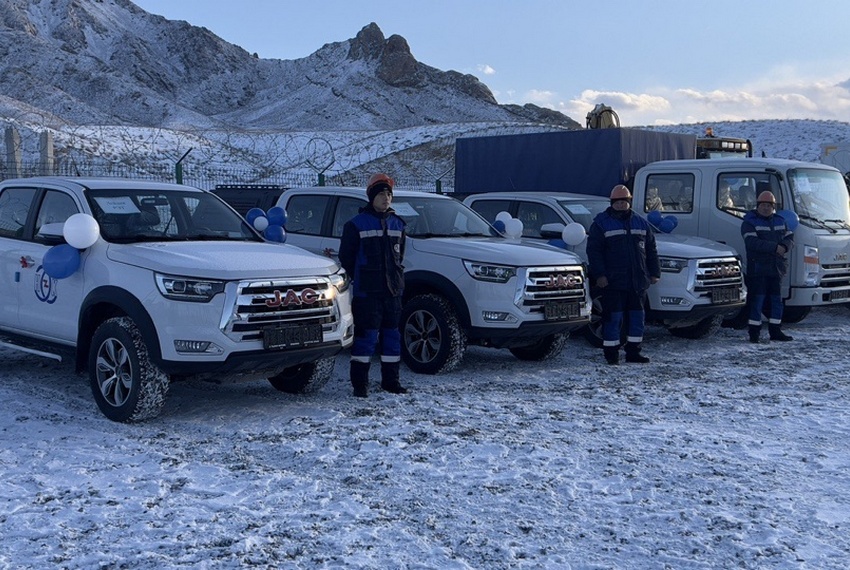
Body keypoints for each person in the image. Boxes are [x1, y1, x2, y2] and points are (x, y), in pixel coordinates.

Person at [338, 173, 408, 397]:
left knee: (392, 338)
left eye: (389, 194)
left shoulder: (398, 224)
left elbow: (399, 256)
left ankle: (391, 382)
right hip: (367, 293)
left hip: (392, 292)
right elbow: (347, 258)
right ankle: (360, 385)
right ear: (371, 197)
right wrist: (362, 278)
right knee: (366, 339)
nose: (386, 198)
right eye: (381, 194)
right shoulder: (356, 225)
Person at [586, 185, 661, 365]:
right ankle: (611, 354)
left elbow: (651, 250)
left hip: (637, 281)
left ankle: (634, 352)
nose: (620, 205)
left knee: (637, 318)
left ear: (629, 202)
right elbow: (594, 252)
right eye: (617, 202)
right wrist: (600, 275)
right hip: (613, 282)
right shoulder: (601, 224)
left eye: (624, 202)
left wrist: (654, 272)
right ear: (612, 203)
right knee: (613, 318)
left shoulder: (641, 223)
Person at [741, 190, 794, 343]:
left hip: (776, 268)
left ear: (773, 207)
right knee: (757, 301)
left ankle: (775, 331)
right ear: (757, 206)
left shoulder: (780, 220)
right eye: (763, 205)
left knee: (776, 301)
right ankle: (754, 333)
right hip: (758, 268)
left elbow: (790, 237)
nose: (765, 208)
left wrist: (785, 246)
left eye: (769, 205)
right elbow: (752, 243)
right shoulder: (749, 222)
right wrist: (775, 248)